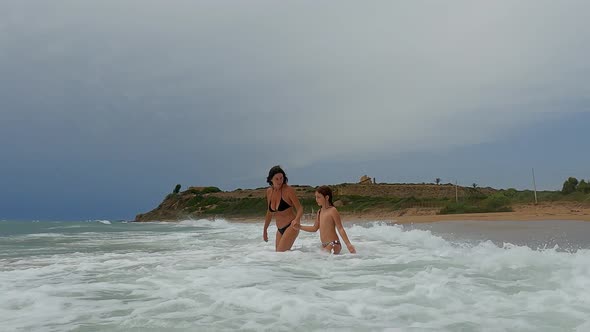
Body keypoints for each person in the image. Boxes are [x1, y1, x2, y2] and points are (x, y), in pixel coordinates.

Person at [295, 185, 356, 254]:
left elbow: (340, 228)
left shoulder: (333, 210)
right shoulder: (319, 211)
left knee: (325, 260)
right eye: (316, 197)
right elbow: (314, 228)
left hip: (333, 243)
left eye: (318, 197)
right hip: (324, 245)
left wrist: (348, 245)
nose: (316, 199)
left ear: (326, 197)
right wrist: (300, 227)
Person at [263, 165, 303, 252]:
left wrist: (296, 220)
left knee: (280, 253)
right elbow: (269, 212)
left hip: (291, 225)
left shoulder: (288, 190)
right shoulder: (269, 192)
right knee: (279, 257)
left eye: (281, 178)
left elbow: (300, 209)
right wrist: (265, 230)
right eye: (276, 179)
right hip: (280, 228)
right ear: (271, 179)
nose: (280, 181)